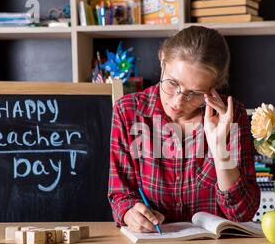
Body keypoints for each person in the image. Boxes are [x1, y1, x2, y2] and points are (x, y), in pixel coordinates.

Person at [108, 26, 260, 232]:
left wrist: (219, 148)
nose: (178, 101)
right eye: (172, 83)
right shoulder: (128, 112)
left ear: (213, 87)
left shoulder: (233, 116)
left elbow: (242, 213)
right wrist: (129, 213)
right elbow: (120, 195)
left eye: (195, 93)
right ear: (162, 60)